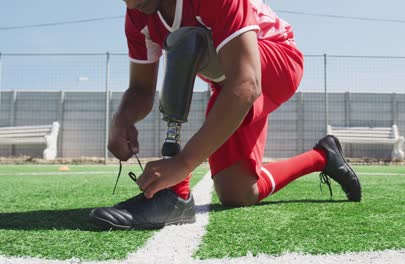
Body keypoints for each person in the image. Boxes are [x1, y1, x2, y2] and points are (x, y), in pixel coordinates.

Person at [89, 0, 361, 230]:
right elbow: (140, 89)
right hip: (229, 80)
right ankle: (323, 156)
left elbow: (246, 85)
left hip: (276, 59)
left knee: (188, 36)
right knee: (238, 193)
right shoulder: (138, 14)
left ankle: (176, 194)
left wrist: (183, 163)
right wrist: (122, 118)